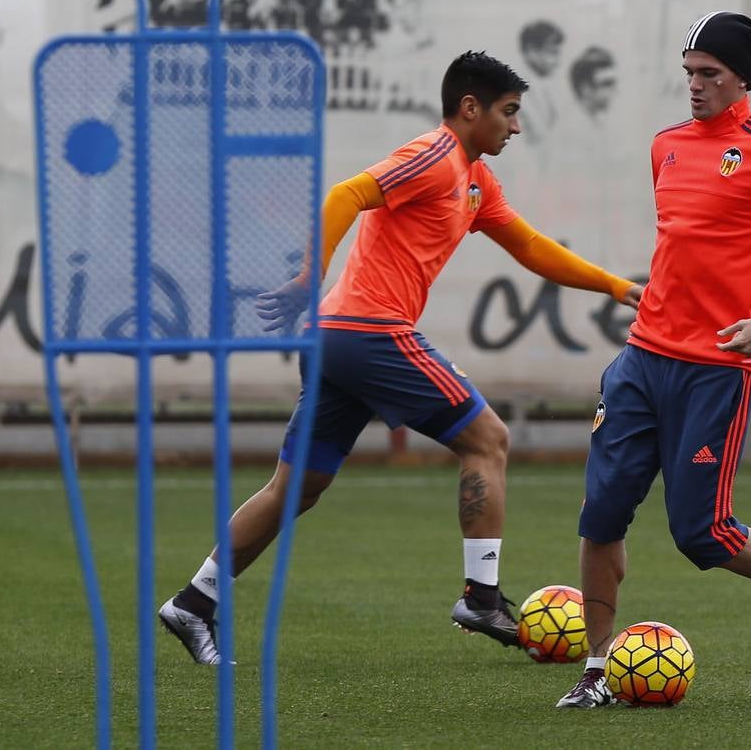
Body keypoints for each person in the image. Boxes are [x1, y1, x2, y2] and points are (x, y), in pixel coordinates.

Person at [159, 51, 643, 664]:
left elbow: (527, 244)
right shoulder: (434, 155)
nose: (515, 128)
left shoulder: (474, 178)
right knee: (487, 439)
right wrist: (310, 274)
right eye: (509, 112)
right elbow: (345, 194)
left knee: (295, 488)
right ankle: (482, 595)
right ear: (471, 108)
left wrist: (611, 285)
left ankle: (194, 601)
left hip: (337, 339)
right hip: (369, 331)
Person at [555, 12, 751, 709]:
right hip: (640, 361)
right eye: (688, 71)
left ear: (742, 78)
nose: (694, 85)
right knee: (600, 513)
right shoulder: (665, 146)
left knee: (702, 533)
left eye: (709, 73)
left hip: (717, 371)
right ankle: (597, 672)